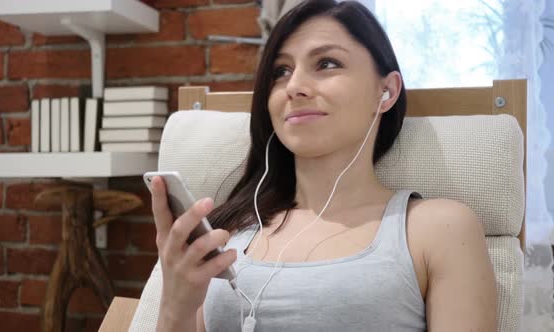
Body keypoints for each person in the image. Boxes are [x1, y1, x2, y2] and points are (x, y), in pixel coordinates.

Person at [150, 1, 498, 331]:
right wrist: (175, 305)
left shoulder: (438, 227)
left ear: (387, 91)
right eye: (281, 71)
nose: (295, 87)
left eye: (327, 63)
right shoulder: (226, 233)